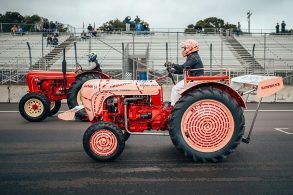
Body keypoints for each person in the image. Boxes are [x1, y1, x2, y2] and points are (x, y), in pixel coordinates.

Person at [164, 39, 204, 106]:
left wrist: (172, 64)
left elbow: (183, 67)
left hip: (194, 79)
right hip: (193, 79)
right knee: (178, 89)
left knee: (175, 89)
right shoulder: (193, 56)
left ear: (190, 48)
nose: (184, 50)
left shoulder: (193, 57)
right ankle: (178, 104)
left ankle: (173, 106)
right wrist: (173, 71)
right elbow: (185, 70)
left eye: (185, 48)